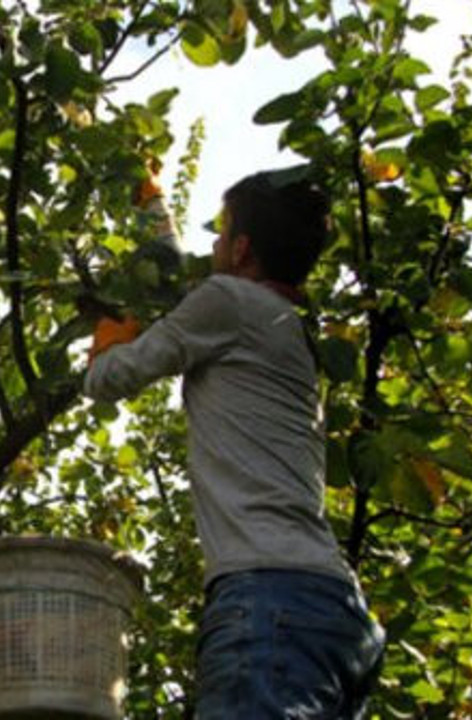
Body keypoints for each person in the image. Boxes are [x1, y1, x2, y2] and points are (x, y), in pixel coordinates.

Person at [84, 169, 385, 718]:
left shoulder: (228, 304)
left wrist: (110, 326)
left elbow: (108, 379)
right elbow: (179, 287)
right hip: (337, 620)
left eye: (222, 234)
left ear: (243, 250)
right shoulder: (282, 323)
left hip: (269, 601)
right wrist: (151, 205)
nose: (214, 245)